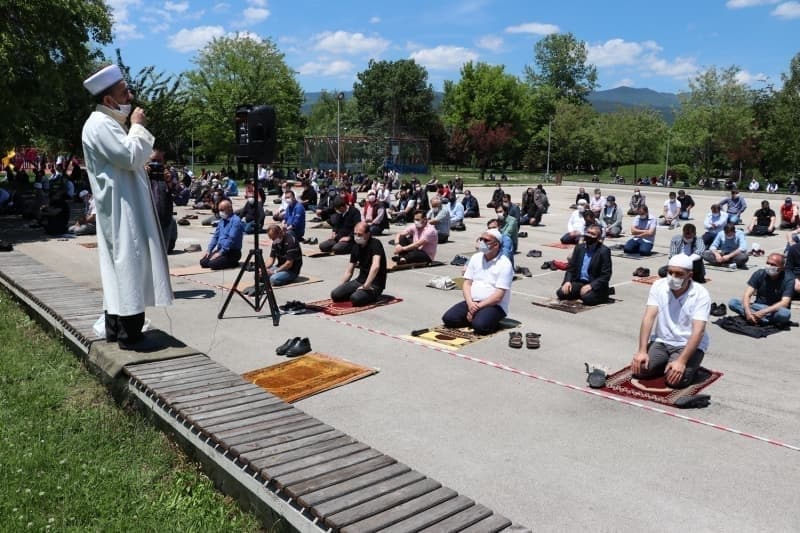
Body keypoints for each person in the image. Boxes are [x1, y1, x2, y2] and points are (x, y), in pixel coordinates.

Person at [81, 64, 173, 351]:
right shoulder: (101, 124)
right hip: (122, 209)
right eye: (125, 92)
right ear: (109, 100)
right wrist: (137, 125)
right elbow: (130, 157)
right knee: (128, 262)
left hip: (122, 205)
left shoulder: (105, 122)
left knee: (122, 265)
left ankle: (119, 328)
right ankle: (129, 333)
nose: (131, 96)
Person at [631, 254, 711, 388]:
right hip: (662, 341)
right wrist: (642, 351)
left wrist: (681, 361)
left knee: (675, 381)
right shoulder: (659, 286)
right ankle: (665, 362)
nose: (673, 277)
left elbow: (699, 331)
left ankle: (689, 366)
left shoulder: (701, 294)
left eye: (679, 274)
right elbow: (648, 317)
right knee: (640, 370)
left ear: (689, 275)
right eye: (670, 272)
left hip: (686, 344)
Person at [442, 228, 513, 334]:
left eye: (486, 240)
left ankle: (486, 320)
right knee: (448, 318)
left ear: (496, 245)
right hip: (473, 302)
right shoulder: (476, 257)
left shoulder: (505, 264)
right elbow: (467, 283)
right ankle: (477, 318)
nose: (482, 242)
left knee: (480, 326)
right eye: (481, 239)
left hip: (494, 305)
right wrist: (470, 303)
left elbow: (498, 296)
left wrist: (476, 308)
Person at [331, 222, 388, 306]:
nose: (357, 237)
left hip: (374, 284)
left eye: (360, 234)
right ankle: (359, 293)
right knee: (335, 295)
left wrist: (366, 285)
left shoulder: (375, 243)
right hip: (359, 280)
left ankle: (372, 295)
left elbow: (375, 266)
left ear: (368, 234)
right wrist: (342, 286)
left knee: (356, 299)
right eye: (355, 234)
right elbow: (349, 271)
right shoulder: (356, 246)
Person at [728, 254, 793, 326]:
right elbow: (747, 294)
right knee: (733, 302)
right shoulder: (759, 273)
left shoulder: (788, 279)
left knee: (785, 314)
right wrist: (747, 311)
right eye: (768, 263)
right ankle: (759, 319)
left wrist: (763, 312)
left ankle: (756, 319)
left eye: (773, 264)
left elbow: (784, 303)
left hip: (774, 310)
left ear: (781, 267)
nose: (769, 266)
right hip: (757, 307)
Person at [556, 223, 612, 305]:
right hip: (579, 282)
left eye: (593, 234)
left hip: (594, 283)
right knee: (561, 293)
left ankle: (600, 294)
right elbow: (571, 268)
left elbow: (606, 275)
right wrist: (567, 282)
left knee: (588, 299)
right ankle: (580, 293)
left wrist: (591, 286)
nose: (589, 235)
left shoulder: (604, 251)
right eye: (588, 233)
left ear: (598, 237)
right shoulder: (579, 247)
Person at [200, 199, 243, 270]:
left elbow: (231, 240)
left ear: (229, 209)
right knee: (203, 262)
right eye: (219, 210)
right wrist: (209, 250)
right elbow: (215, 236)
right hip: (221, 249)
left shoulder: (236, 221)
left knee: (212, 264)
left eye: (222, 210)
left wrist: (220, 253)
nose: (220, 212)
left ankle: (233, 262)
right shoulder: (222, 221)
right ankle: (223, 259)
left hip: (232, 252)